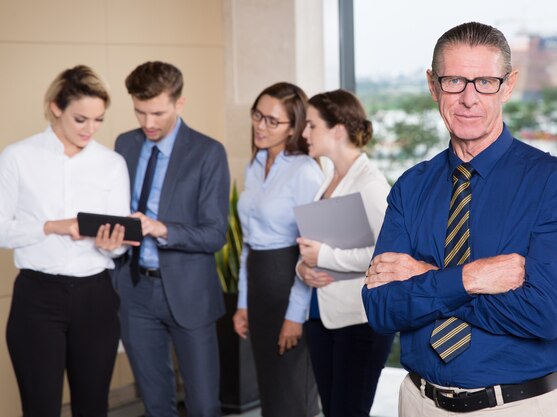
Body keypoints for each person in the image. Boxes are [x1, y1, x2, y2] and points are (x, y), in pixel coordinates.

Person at [362, 22, 557, 417]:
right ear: (433, 85)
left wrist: (424, 277)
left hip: (514, 406)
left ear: (508, 85)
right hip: (417, 402)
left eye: (485, 81)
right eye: (454, 81)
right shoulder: (410, 187)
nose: (469, 98)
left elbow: (544, 314)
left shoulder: (554, 183)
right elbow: (381, 308)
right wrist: (472, 278)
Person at [0, 65, 131, 417]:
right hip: (37, 299)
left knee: (92, 409)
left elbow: (119, 243)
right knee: (40, 408)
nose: (90, 129)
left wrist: (111, 243)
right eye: (80, 119)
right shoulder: (17, 158)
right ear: (56, 107)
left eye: (99, 120)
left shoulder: (112, 164)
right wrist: (52, 226)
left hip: (96, 298)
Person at [114, 61, 230, 417]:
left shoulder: (208, 152)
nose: (148, 123)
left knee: (204, 405)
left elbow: (215, 234)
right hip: (134, 291)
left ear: (180, 104)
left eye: (158, 113)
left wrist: (161, 228)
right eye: (140, 111)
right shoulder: (125, 144)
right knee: (155, 403)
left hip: (190, 292)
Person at [295, 89, 395, 417]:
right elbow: (315, 243)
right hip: (323, 317)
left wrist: (323, 258)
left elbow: (388, 253)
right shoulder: (326, 179)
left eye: (311, 126)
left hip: (360, 321)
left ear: (337, 130)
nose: (304, 133)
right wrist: (303, 269)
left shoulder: (370, 184)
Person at [232, 82, 323, 417]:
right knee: (270, 393)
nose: (260, 125)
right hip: (258, 285)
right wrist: (243, 304)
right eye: (258, 115)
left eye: (272, 121)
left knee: (292, 395)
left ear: (293, 128)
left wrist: (294, 317)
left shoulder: (305, 172)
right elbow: (247, 243)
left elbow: (309, 255)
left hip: (289, 282)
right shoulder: (254, 165)